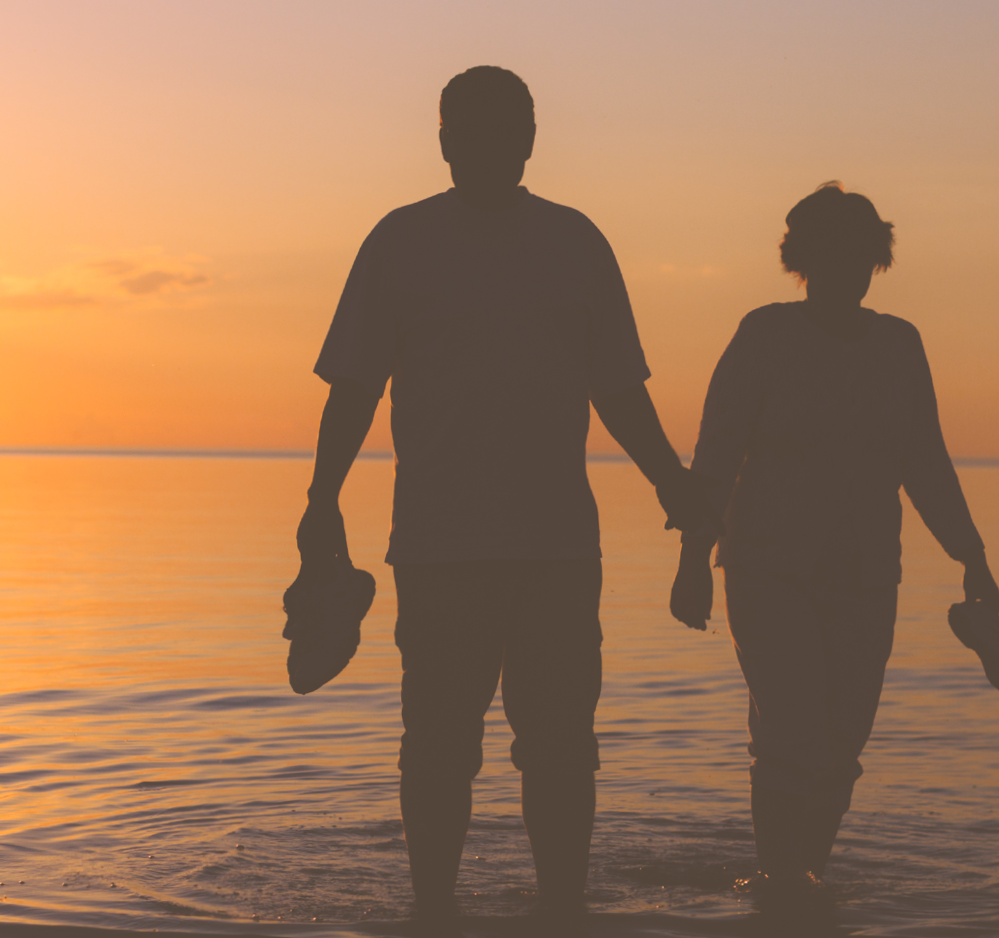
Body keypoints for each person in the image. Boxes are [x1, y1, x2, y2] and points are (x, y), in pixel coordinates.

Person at [298, 66, 713, 924]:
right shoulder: (399, 241)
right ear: (443, 140)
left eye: (503, 129)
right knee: (442, 748)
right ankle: (435, 912)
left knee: (557, 748)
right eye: (469, 130)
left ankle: (558, 911)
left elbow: (618, 391)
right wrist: (320, 497)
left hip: (554, 547)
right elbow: (354, 385)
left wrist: (675, 483)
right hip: (441, 545)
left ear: (529, 140)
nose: (485, 145)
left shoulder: (576, 242)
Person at [668, 183, 999, 912]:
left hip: (866, 574)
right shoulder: (765, 335)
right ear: (803, 259)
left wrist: (971, 554)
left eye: (862, 253)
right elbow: (716, 455)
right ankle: (777, 882)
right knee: (789, 732)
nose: (849, 267)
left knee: (840, 748)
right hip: (767, 569)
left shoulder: (898, 343)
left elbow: (926, 463)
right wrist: (693, 561)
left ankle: (804, 883)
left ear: (876, 260)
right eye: (831, 252)